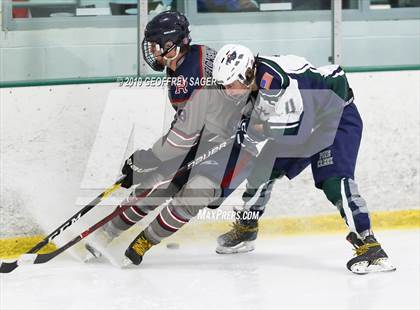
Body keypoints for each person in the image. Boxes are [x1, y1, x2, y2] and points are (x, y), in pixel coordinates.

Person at [85, 12, 257, 266]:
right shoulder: (184, 63)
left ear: (171, 45)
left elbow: (187, 132)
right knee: (154, 185)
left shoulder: (194, 73)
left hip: (229, 147)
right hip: (202, 138)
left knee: (195, 193)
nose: (151, 51)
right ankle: (106, 234)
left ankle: (144, 239)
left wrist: (149, 157)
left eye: (155, 45)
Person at [212, 44, 396, 274]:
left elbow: (292, 128)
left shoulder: (279, 83)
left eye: (231, 84)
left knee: (334, 181)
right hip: (301, 122)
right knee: (262, 170)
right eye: (223, 86)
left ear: (247, 74)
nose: (228, 91)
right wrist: (221, 187)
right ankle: (247, 227)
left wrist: (253, 129)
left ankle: (371, 246)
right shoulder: (251, 85)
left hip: (334, 118)